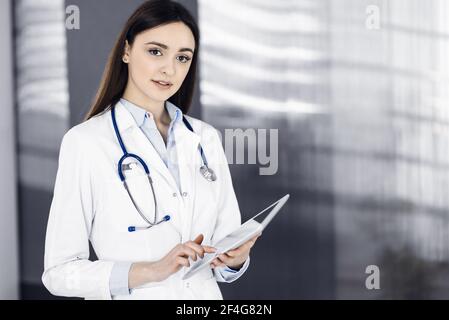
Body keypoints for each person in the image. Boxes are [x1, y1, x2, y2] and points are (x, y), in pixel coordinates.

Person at [42, 0, 259, 300]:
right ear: (127, 51)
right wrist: (152, 270)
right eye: (156, 51)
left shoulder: (205, 139)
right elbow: (59, 272)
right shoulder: (86, 142)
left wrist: (234, 260)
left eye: (183, 58)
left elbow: (221, 255)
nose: (169, 69)